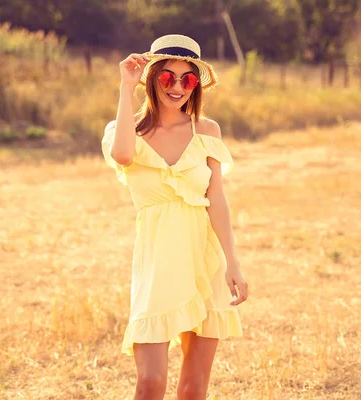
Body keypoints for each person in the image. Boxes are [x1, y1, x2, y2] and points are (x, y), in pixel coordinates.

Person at [101, 34, 249, 399]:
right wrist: (125, 88)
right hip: (158, 266)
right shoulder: (126, 131)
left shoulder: (207, 130)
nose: (178, 87)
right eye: (168, 77)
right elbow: (122, 155)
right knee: (150, 383)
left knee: (193, 388)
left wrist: (233, 262)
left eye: (188, 79)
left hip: (205, 260)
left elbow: (217, 199)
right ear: (152, 78)